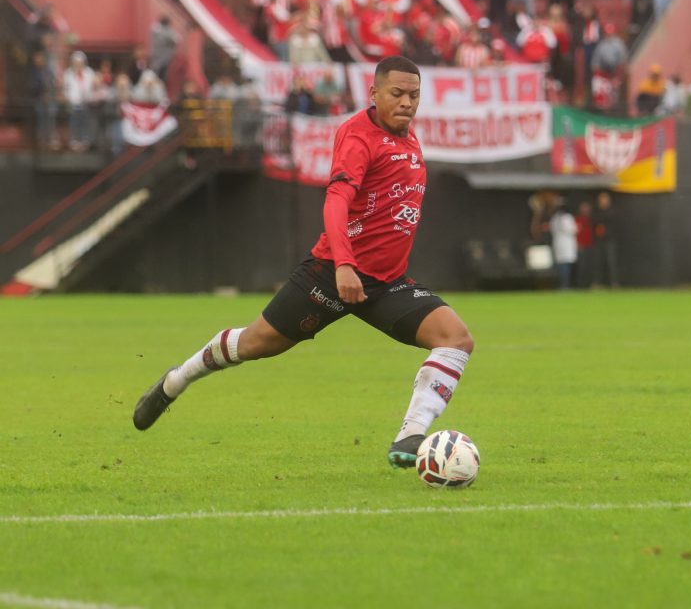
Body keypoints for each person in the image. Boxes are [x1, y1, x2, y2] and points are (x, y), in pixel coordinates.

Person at [132, 56, 477, 470]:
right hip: (332, 273)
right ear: (374, 93)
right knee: (256, 344)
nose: (407, 103)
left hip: (386, 283)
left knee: (456, 339)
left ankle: (411, 434)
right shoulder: (358, 136)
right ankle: (177, 380)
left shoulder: (408, 138)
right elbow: (336, 201)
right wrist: (344, 265)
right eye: (397, 94)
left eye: (414, 95)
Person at [549, 200, 578, 290]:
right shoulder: (567, 218)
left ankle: (564, 284)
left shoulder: (554, 218)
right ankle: (565, 285)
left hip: (559, 244)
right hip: (566, 244)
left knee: (562, 265)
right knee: (565, 266)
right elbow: (573, 230)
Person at [593, 191, 619, 287]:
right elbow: (594, 223)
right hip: (599, 241)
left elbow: (614, 226)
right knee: (598, 262)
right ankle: (597, 283)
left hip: (610, 240)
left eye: (604, 199)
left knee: (611, 262)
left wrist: (605, 230)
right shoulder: (596, 212)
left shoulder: (612, 212)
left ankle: (614, 283)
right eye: (601, 199)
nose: (602, 201)